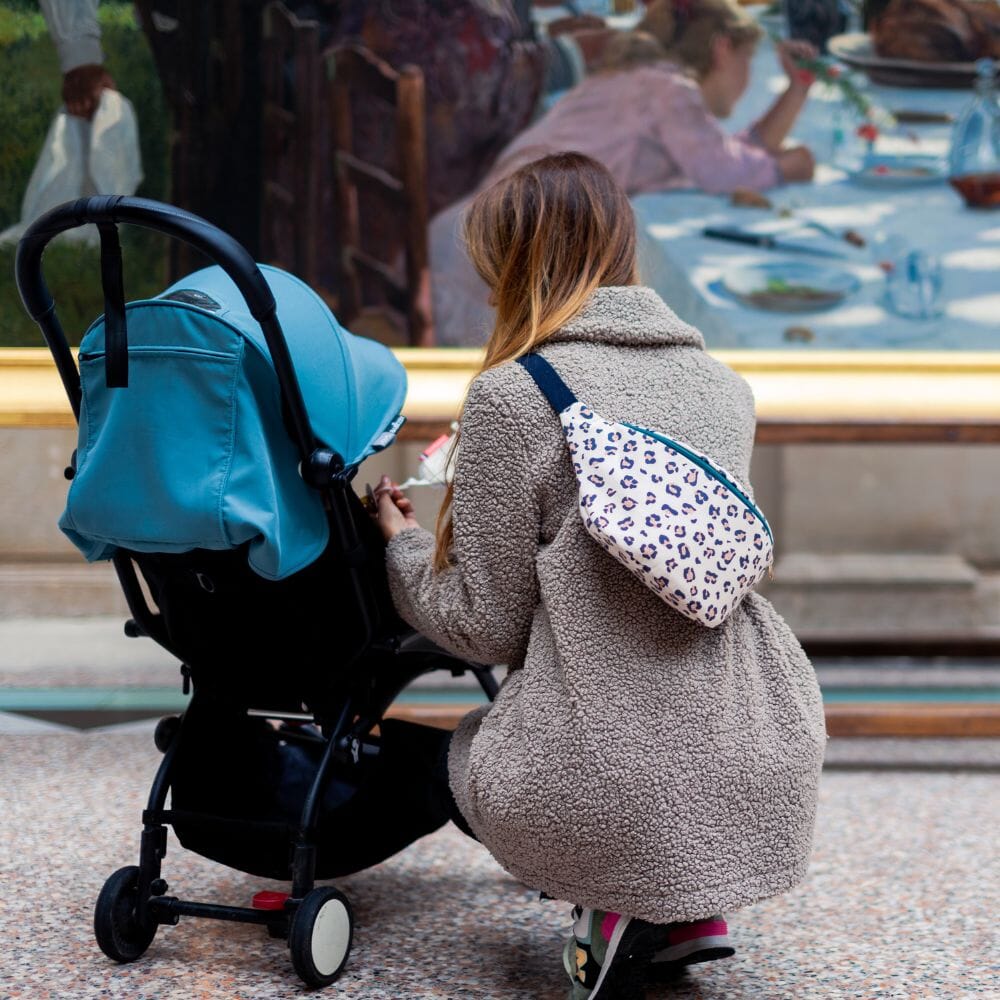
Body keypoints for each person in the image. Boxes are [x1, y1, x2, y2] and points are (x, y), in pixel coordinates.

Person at [373, 152, 826, 998]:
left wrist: (400, 539)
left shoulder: (514, 396)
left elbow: (484, 627)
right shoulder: (725, 390)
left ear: (516, 263)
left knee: (458, 758)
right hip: (760, 758)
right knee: (649, 750)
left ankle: (606, 903)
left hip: (601, 779)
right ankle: (688, 903)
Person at [430, 0, 818, 346]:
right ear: (723, 50)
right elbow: (723, 171)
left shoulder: (635, 77)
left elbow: (726, 157)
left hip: (484, 228)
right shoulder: (669, 89)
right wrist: (787, 168)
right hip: (523, 239)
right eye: (747, 60)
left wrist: (795, 92)